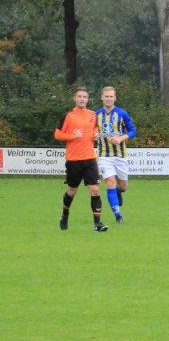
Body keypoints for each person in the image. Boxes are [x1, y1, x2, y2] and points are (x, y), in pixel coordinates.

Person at [54, 87, 107, 232]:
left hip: (90, 158)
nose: (82, 99)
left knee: (95, 190)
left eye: (84, 97)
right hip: (74, 159)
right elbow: (57, 135)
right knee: (72, 190)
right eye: (79, 96)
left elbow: (95, 130)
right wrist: (73, 136)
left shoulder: (93, 115)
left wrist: (96, 135)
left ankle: (97, 224)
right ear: (74, 98)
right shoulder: (68, 116)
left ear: (87, 99)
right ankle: (65, 213)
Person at [95, 86, 137, 223]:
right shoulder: (96, 115)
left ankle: (119, 192)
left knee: (123, 186)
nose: (108, 99)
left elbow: (133, 131)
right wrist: (93, 136)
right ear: (102, 97)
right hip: (104, 155)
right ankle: (118, 215)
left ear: (115, 98)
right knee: (110, 182)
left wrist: (120, 138)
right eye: (106, 96)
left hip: (120, 155)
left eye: (111, 96)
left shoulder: (122, 113)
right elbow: (90, 131)